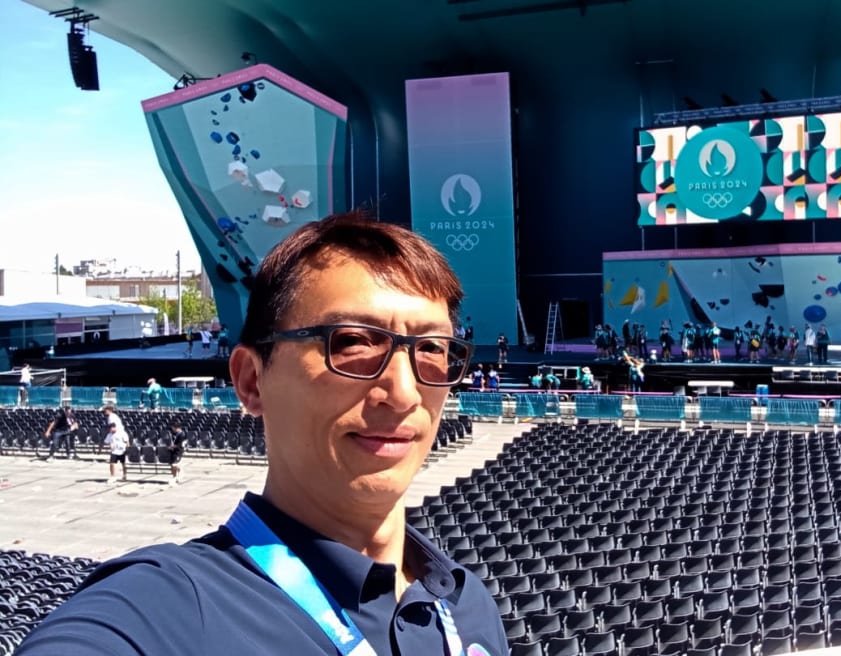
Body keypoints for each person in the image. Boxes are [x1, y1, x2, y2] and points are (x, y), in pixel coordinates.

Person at [15, 212, 508, 655]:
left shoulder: (468, 607)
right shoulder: (172, 609)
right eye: (353, 342)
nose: (403, 393)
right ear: (252, 381)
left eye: (431, 348)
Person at [102, 406, 129, 484]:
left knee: (123, 463)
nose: (104, 412)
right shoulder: (110, 434)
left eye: (105, 410)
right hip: (114, 450)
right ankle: (112, 476)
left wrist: (127, 449)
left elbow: (127, 441)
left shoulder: (112, 417)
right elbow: (106, 442)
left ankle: (124, 475)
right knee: (112, 463)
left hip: (121, 450)